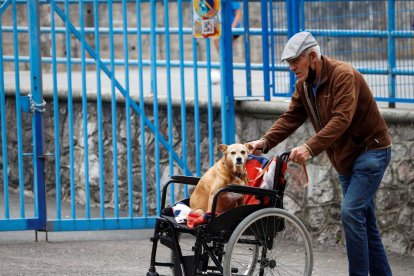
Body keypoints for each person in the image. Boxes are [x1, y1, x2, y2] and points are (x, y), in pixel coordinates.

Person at [249, 31, 393, 276]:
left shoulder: (343, 75)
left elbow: (341, 119)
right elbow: (290, 118)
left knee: (351, 213)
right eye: (289, 63)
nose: (292, 67)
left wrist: (309, 147)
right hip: (345, 160)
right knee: (365, 223)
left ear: (313, 56)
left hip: (371, 151)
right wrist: (264, 142)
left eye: (296, 61)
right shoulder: (304, 86)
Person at [210, 2, 242, 84]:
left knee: (226, 50)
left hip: (234, 28)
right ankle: (223, 59)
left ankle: (228, 76)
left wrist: (231, 28)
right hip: (223, 29)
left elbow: (238, 15)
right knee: (217, 42)